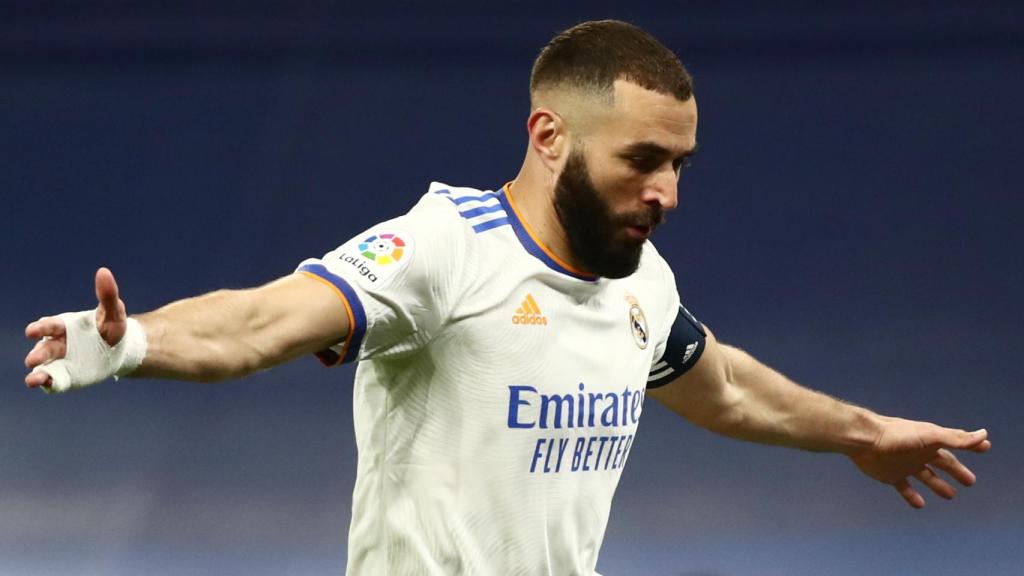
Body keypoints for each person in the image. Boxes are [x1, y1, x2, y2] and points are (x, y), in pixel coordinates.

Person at [23, 19, 990, 576]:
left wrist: (862, 432)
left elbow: (722, 386)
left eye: (682, 164)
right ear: (550, 135)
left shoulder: (637, 278)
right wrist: (137, 339)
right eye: (642, 160)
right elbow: (270, 318)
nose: (667, 192)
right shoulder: (448, 247)